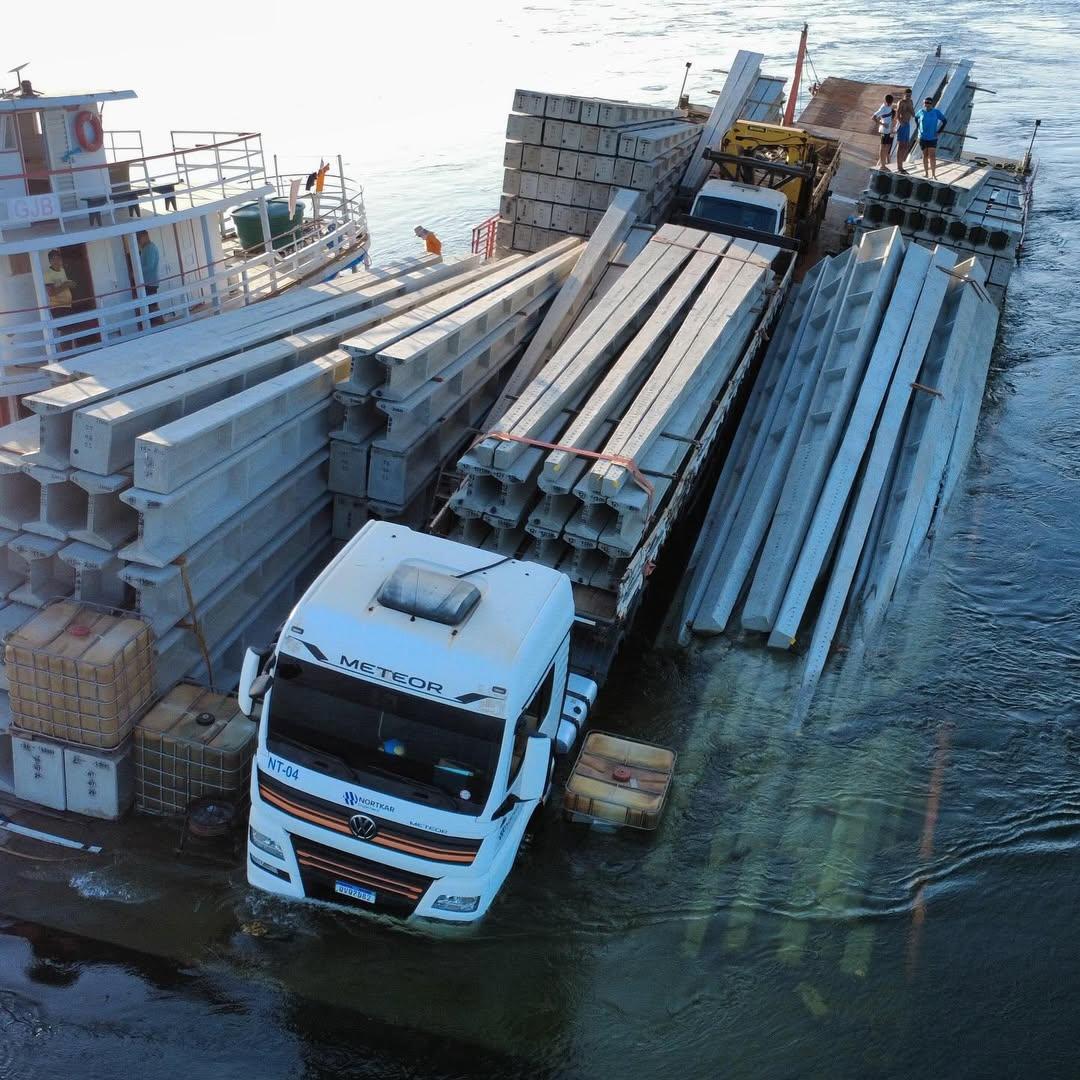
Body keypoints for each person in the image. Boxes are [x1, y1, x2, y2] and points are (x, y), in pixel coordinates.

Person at [43, 248, 75, 351]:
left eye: (58, 258)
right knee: (65, 330)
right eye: (54, 258)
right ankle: (66, 355)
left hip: (67, 305)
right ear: (50, 261)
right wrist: (66, 285)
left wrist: (70, 284)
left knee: (70, 329)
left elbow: (63, 286)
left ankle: (69, 353)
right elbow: (51, 293)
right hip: (58, 306)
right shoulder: (48, 274)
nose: (57, 261)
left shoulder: (62, 270)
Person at [915, 97, 948, 179]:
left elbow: (944, 121)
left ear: (932, 104)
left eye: (928, 103)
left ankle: (933, 174)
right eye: (925, 102)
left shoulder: (936, 112)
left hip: (932, 137)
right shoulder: (921, 112)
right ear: (924, 103)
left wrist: (939, 131)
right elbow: (916, 118)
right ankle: (926, 173)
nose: (927, 104)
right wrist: (918, 127)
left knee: (932, 156)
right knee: (925, 155)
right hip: (922, 137)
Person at [137, 230, 162, 325]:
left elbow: (150, 266)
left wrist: (137, 272)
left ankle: (159, 324)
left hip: (150, 281)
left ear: (144, 237)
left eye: (139, 238)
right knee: (150, 305)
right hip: (148, 281)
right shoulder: (145, 248)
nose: (139, 240)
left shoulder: (149, 248)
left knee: (152, 305)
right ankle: (156, 324)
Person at [894, 88, 916, 174]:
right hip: (902, 125)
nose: (908, 97)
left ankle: (901, 164)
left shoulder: (910, 102)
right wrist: (900, 122)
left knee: (906, 145)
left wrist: (910, 107)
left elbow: (913, 114)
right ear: (904, 95)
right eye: (907, 95)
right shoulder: (901, 102)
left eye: (909, 95)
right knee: (901, 145)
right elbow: (897, 114)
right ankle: (899, 166)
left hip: (907, 124)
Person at [871, 94, 896, 169]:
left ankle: (884, 163)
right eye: (888, 102)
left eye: (890, 102)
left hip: (888, 131)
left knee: (887, 146)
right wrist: (882, 124)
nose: (889, 104)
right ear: (885, 101)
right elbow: (873, 117)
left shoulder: (890, 106)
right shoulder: (883, 108)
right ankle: (882, 165)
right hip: (883, 130)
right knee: (882, 147)